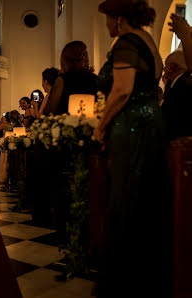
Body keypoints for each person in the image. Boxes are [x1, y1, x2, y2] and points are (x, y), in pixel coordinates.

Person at [94, 1, 171, 297]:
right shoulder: (147, 39)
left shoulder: (126, 41)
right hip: (150, 120)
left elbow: (122, 89)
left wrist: (101, 126)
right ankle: (146, 275)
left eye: (108, 20)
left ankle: (126, 281)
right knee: (143, 196)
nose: (107, 25)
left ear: (120, 19)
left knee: (127, 194)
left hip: (133, 125)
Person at [43, 41, 97, 115]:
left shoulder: (62, 80)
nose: (86, 59)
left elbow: (49, 111)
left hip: (66, 123)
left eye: (85, 55)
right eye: (83, 55)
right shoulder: (94, 78)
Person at [163, 51, 192, 140]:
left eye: (166, 65)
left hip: (178, 138)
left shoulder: (184, 85)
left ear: (172, 66)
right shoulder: (175, 83)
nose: (164, 68)